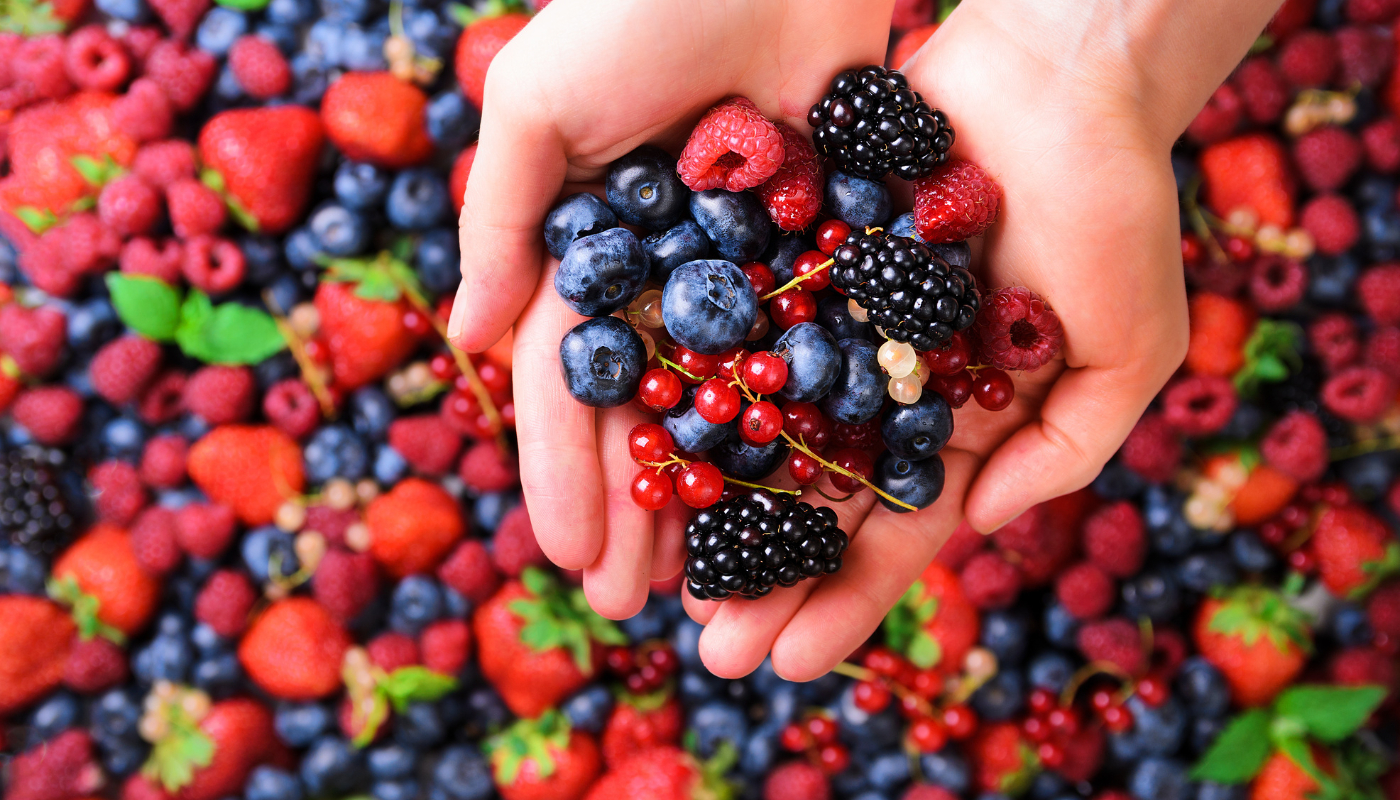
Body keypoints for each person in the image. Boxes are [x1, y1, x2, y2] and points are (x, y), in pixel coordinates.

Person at [447, 0, 1284, 682]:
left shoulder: (836, 307)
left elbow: (833, 296)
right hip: (778, 347)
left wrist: (1091, 61)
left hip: (814, 331)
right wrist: (1103, 60)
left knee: (826, 374)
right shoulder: (725, 333)